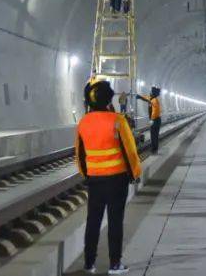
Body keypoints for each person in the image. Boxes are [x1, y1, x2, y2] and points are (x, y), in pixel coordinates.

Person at [75, 80, 141, 274]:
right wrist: (135, 173)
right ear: (108, 100)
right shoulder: (117, 120)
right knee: (115, 221)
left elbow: (79, 154)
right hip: (116, 180)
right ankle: (114, 264)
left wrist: (86, 174)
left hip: (95, 180)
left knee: (93, 221)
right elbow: (130, 151)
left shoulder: (83, 122)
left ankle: (89, 263)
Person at [136, 86, 161, 154]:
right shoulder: (152, 99)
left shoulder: (154, 100)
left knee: (154, 135)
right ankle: (154, 149)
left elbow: (155, 111)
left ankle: (154, 150)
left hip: (155, 120)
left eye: (151, 92)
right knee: (154, 135)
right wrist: (139, 97)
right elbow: (146, 98)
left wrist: (151, 120)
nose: (149, 93)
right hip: (155, 120)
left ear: (153, 93)